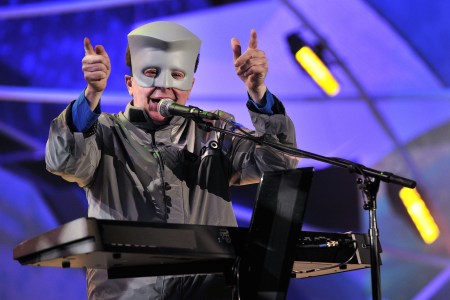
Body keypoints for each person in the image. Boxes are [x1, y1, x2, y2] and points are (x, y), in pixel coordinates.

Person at [45, 21, 298, 300]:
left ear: (189, 86)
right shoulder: (104, 132)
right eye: (151, 73)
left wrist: (259, 95)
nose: (164, 85)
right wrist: (91, 95)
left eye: (177, 75)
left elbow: (279, 163)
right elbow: (63, 160)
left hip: (209, 293)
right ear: (130, 84)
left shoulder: (212, 129)